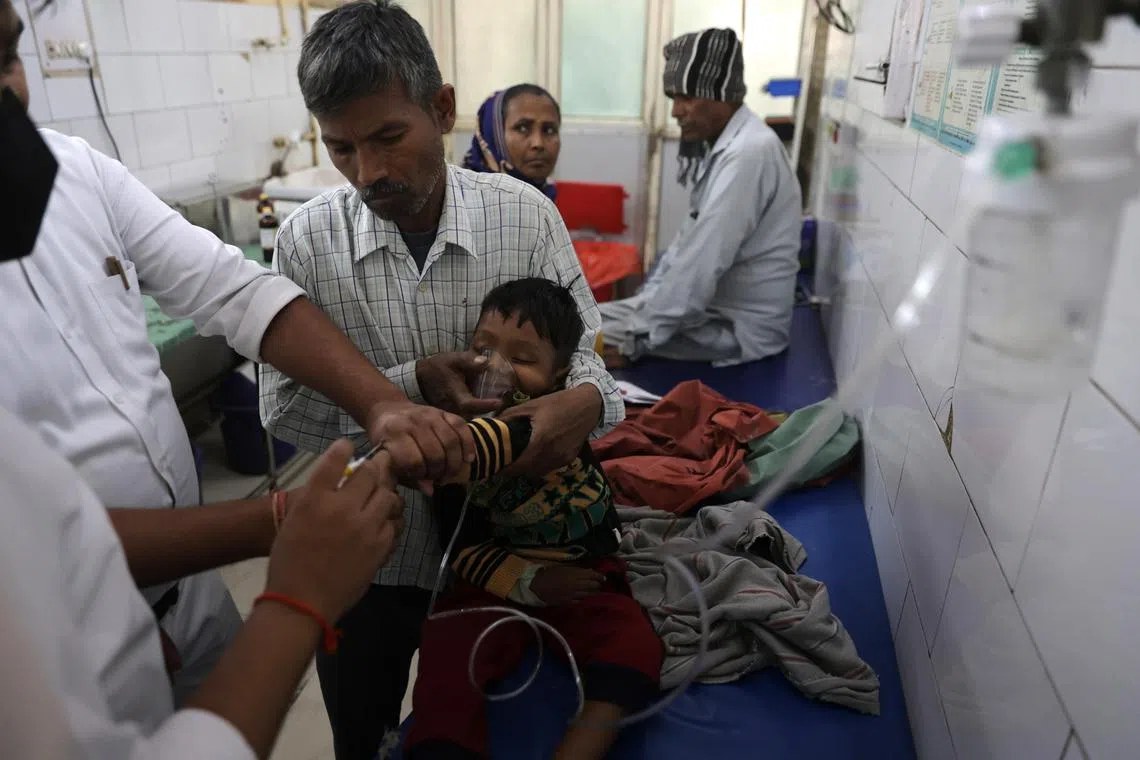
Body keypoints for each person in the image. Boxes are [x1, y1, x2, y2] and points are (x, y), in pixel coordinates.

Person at [0, 0, 474, 707]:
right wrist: (286, 526)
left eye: (8, 57)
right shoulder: (317, 234)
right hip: (52, 641)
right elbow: (30, 544)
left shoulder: (73, 172)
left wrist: (383, 403)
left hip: (192, 598)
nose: (10, 94)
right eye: (343, 147)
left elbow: (234, 290)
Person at [260, 3, 623, 757]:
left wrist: (576, 406)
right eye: (342, 148)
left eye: (390, 137)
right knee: (361, 731)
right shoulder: (306, 242)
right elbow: (282, 404)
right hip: (371, 554)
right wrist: (403, 387)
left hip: (507, 549)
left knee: (490, 727)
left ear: (443, 109)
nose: (371, 174)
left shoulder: (523, 216)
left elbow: (589, 358)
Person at [405, 278, 663, 760]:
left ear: (561, 374)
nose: (496, 369)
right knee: (445, 649)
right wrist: (530, 582)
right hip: (493, 582)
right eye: (483, 349)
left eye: (522, 360)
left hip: (587, 576)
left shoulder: (551, 425)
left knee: (636, 645)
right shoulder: (459, 432)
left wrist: (448, 454)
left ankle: (584, 741)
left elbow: (506, 442)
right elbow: (461, 548)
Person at [599, 27, 803, 368]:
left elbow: (702, 264)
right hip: (713, 314)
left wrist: (638, 339)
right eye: (673, 98)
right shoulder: (731, 145)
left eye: (686, 97)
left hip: (736, 328)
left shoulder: (747, 154)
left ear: (721, 94)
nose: (676, 111)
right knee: (575, 321)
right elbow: (688, 247)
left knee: (569, 337)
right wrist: (648, 304)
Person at [463, 84, 562, 200]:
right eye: (522, 128)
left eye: (549, 130)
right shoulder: (460, 202)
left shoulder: (553, 199)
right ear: (493, 135)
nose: (538, 143)